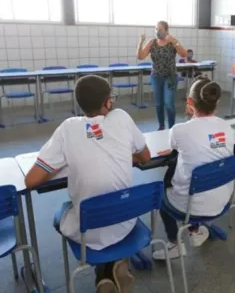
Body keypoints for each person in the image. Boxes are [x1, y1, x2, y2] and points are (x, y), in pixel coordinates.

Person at [24, 75, 151, 293]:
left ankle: (103, 271)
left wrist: (65, 162)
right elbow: (145, 158)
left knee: (62, 215)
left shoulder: (68, 128)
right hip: (125, 220)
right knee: (107, 210)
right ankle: (113, 266)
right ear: (108, 102)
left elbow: (31, 180)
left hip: (88, 229)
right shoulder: (122, 118)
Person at [153, 76, 234, 260]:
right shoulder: (226, 127)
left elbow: (175, 146)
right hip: (222, 200)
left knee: (162, 193)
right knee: (196, 176)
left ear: (189, 102)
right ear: (217, 102)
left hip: (189, 205)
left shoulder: (179, 130)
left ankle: (175, 244)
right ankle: (195, 231)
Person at [137, 20, 188, 130]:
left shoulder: (172, 41)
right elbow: (140, 56)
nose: (157, 31)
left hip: (170, 77)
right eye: (156, 29)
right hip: (156, 77)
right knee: (158, 104)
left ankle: (172, 128)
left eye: (160, 29)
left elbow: (184, 54)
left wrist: (174, 42)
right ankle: (161, 126)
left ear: (166, 31)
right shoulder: (152, 42)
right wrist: (141, 42)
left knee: (169, 103)